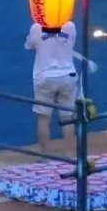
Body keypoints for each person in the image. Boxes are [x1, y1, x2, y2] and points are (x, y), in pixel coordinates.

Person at [24, 20, 78, 154]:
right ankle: (70, 154)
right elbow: (71, 44)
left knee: (43, 118)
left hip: (45, 76)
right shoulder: (70, 26)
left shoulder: (36, 27)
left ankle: (45, 154)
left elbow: (29, 46)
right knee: (67, 118)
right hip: (68, 75)